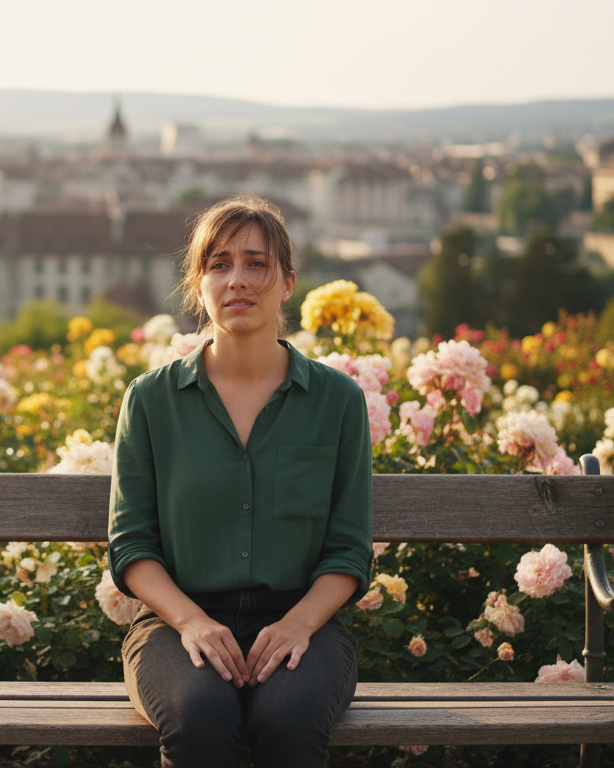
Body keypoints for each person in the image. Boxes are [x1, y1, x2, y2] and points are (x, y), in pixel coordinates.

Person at [108, 195, 373, 766]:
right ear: (198, 284)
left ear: (287, 284)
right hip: (176, 622)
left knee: (291, 716)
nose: (238, 281)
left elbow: (348, 550)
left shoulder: (338, 401)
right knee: (199, 714)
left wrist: (299, 624)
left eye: (257, 263)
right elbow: (131, 545)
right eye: (219, 264)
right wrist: (192, 622)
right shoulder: (151, 400)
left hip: (305, 621)